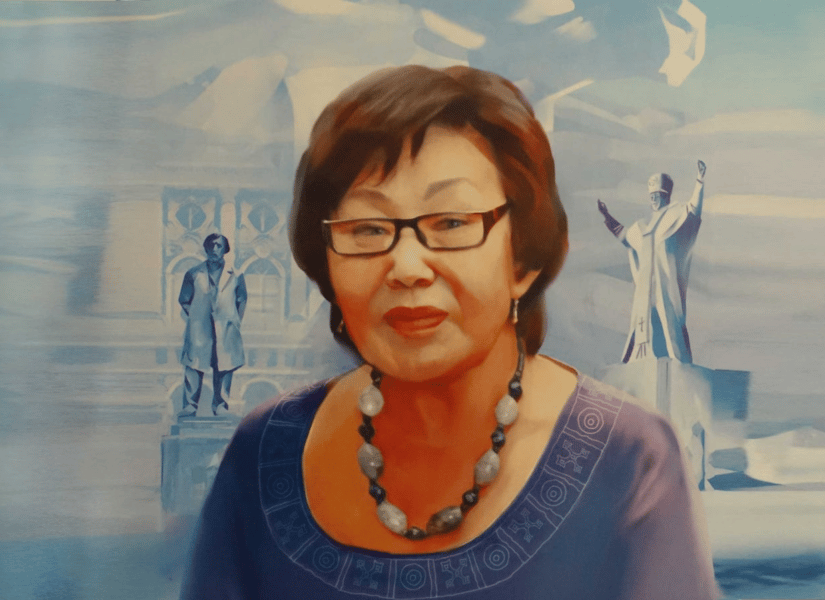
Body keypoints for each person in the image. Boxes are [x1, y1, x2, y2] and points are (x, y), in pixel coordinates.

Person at [181, 66, 719, 599]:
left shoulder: (627, 458)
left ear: (523, 258)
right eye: (368, 228)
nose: (406, 267)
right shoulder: (263, 451)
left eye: (452, 223)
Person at [598, 161, 706, 364]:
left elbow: (693, 211)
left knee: (672, 333)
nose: (654, 199)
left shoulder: (675, 217)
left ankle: (679, 365)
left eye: (659, 195)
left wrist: (699, 182)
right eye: (652, 196)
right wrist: (607, 216)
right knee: (643, 331)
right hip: (645, 296)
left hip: (666, 292)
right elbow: (625, 236)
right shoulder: (644, 229)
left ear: (667, 195)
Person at [177, 233, 247, 418]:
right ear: (206, 248)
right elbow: (184, 300)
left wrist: (235, 321)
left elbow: (242, 299)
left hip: (226, 328)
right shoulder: (193, 273)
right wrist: (196, 317)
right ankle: (190, 405)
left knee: (224, 366)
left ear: (225, 249)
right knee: (194, 365)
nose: (214, 249)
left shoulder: (236, 274)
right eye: (211, 245)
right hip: (200, 328)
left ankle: (221, 406)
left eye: (219, 245)